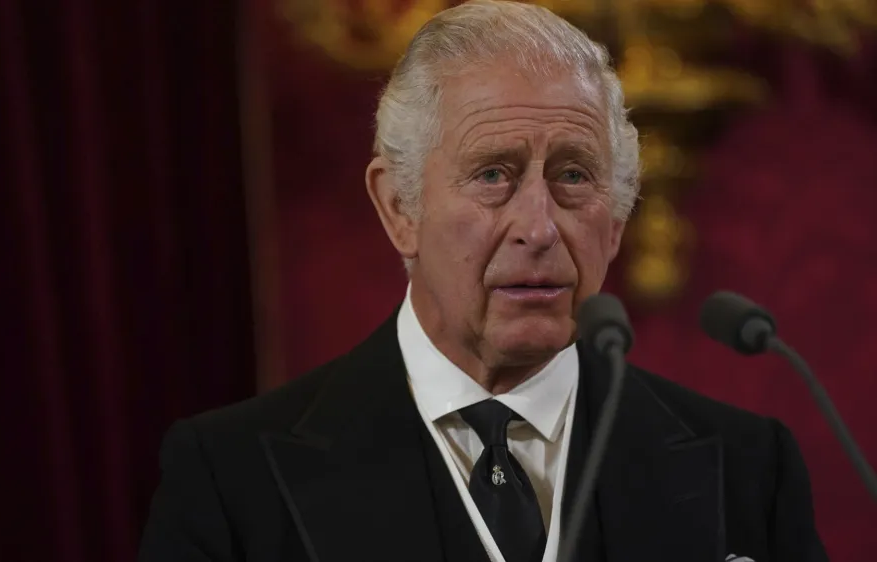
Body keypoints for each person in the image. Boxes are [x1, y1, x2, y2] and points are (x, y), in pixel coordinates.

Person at [138, 1, 828, 561]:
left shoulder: (746, 470)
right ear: (399, 207)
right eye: (493, 174)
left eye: (574, 176)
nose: (539, 226)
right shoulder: (231, 481)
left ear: (615, 221)